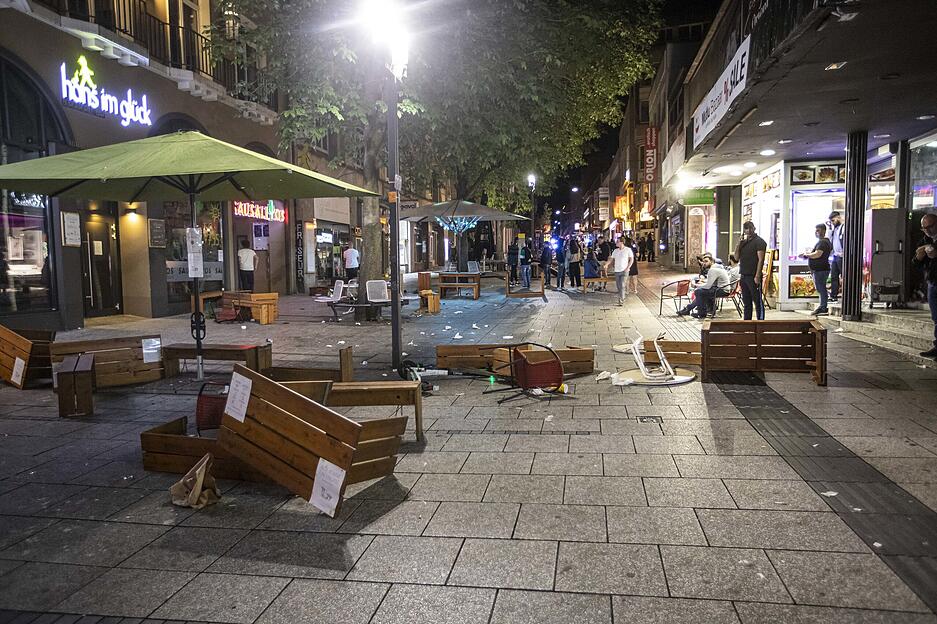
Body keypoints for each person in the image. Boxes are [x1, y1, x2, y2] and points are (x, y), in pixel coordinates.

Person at [678, 254, 730, 318]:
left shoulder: (713, 269)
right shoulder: (717, 268)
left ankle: (701, 313)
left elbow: (708, 286)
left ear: (712, 261)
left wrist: (696, 286)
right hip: (722, 288)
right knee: (701, 292)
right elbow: (711, 283)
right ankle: (690, 309)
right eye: (703, 261)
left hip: (722, 290)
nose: (704, 263)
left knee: (698, 292)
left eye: (706, 261)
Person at [914, 213, 937, 358]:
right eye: (924, 228)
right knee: (936, 317)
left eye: (930, 227)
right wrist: (918, 258)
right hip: (933, 282)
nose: (928, 231)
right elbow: (916, 263)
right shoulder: (924, 240)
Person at [735, 221, 767, 320]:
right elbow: (736, 258)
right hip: (743, 275)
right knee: (746, 302)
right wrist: (738, 245)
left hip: (753, 275)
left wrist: (757, 275)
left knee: (757, 301)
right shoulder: (743, 243)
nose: (748, 231)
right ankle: (747, 323)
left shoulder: (759, 242)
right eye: (746, 228)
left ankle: (760, 323)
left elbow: (761, 259)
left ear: (754, 228)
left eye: (750, 228)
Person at [800, 223, 833, 315]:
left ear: (823, 231)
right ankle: (823, 306)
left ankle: (823, 307)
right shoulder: (824, 242)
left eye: (818, 230)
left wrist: (806, 255)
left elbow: (818, 254)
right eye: (816, 230)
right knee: (820, 288)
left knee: (821, 288)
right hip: (820, 269)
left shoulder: (823, 242)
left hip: (821, 269)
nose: (816, 232)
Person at [606, 237, 634, 306]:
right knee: (618, 286)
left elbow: (631, 259)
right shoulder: (615, 251)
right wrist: (607, 264)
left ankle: (621, 299)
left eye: (617, 242)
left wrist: (628, 267)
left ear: (621, 242)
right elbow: (611, 259)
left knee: (622, 285)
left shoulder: (628, 250)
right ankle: (622, 296)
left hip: (624, 270)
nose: (616, 243)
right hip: (617, 271)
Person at [828, 211, 844, 303]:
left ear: (838, 217)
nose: (833, 222)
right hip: (835, 255)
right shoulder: (834, 230)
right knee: (834, 276)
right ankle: (833, 295)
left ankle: (846, 294)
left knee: (843, 275)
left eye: (833, 220)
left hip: (841, 255)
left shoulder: (843, 227)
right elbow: (830, 240)